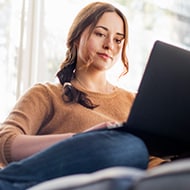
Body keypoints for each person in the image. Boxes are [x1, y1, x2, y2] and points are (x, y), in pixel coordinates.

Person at [0, 1, 162, 189]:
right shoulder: (46, 94)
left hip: (121, 183)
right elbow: (4, 141)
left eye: (118, 40)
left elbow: (154, 164)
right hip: (58, 183)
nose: (109, 45)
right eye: (100, 34)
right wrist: (80, 139)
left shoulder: (135, 102)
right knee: (129, 148)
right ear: (77, 37)